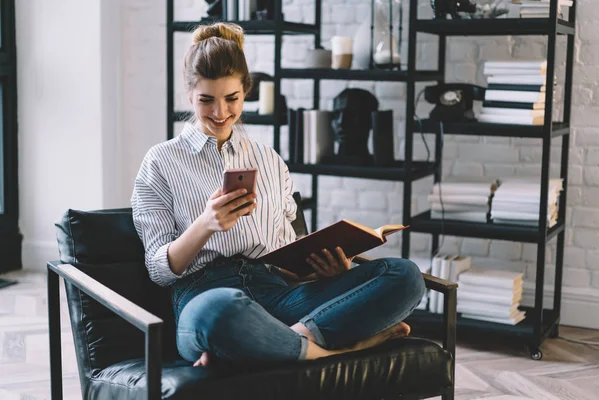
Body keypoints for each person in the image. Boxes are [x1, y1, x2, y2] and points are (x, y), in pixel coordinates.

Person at [131, 22, 425, 368]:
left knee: (404, 277)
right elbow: (158, 269)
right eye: (206, 100)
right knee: (219, 311)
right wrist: (206, 225)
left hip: (278, 293)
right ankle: (338, 348)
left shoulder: (269, 160)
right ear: (189, 94)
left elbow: (290, 256)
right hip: (204, 293)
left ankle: (270, 343)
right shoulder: (160, 162)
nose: (220, 112)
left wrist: (324, 272)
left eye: (232, 99)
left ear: (246, 91)